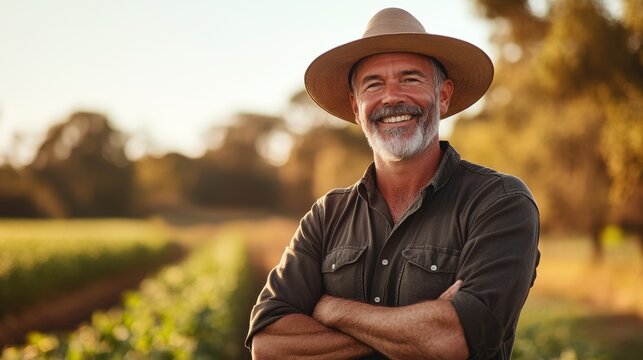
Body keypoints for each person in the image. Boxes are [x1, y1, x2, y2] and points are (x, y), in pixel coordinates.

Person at [246, 7, 540, 360]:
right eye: (374, 84)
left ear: (443, 95)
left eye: (410, 79)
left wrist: (334, 311)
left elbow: (453, 340)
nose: (392, 97)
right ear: (356, 107)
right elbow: (268, 344)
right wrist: (418, 328)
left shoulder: (498, 201)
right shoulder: (327, 216)